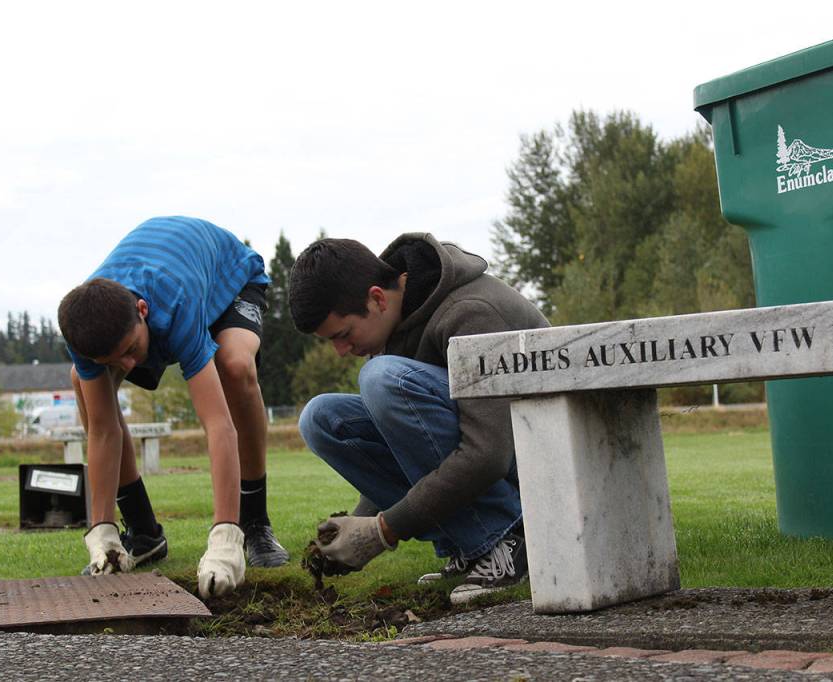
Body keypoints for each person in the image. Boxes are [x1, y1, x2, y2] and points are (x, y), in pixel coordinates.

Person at [289, 234, 548, 604]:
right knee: (320, 418)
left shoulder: (471, 312)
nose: (341, 351)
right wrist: (357, 525)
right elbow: (406, 440)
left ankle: (505, 538)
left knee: (380, 379)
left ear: (377, 298)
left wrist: (383, 531)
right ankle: (472, 543)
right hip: (498, 452)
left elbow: (487, 453)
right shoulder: (394, 321)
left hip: (543, 464)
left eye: (343, 335)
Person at [58, 216, 290, 599]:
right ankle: (143, 532)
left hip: (229, 279)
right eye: (115, 360)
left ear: (143, 311)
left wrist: (224, 536)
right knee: (81, 384)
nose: (129, 367)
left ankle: (254, 525)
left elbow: (218, 425)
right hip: (165, 287)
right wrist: (101, 530)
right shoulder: (83, 327)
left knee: (233, 365)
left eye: (131, 350)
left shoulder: (176, 304)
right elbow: (102, 430)